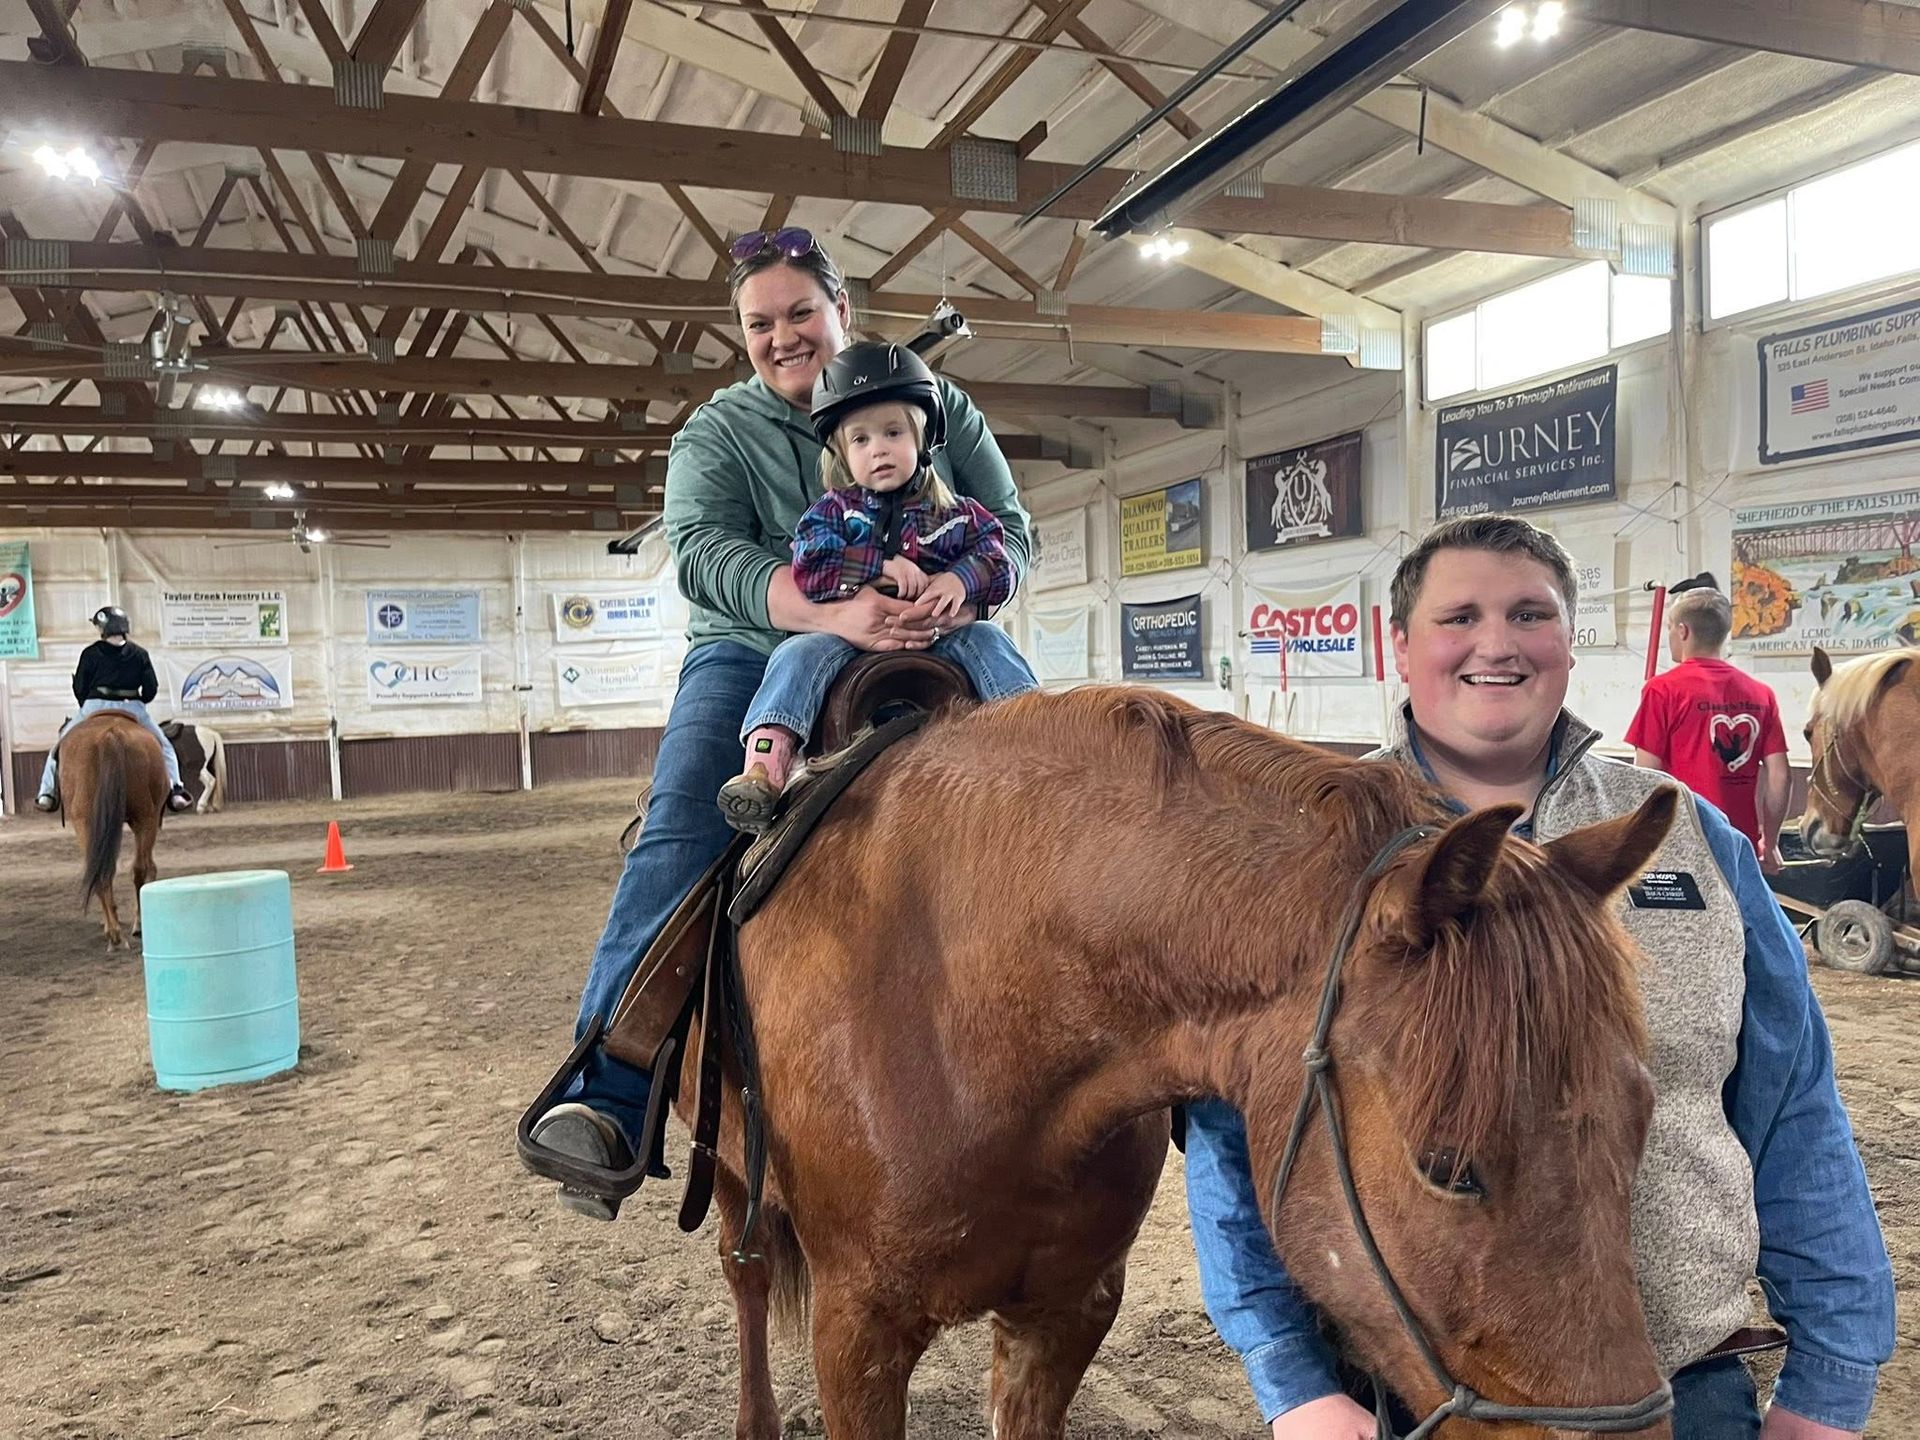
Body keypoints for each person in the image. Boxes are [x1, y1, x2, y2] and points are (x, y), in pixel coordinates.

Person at [1185, 516, 1893, 1440]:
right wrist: (1292, 1380)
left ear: (1567, 641)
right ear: (1399, 645)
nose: (1497, 644)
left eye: (1530, 614)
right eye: (1459, 617)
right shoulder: (1303, 866)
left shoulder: (1689, 840)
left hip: (1676, 1389)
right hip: (1420, 1400)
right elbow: (1228, 1140)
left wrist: (1831, 1378)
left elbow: (1794, 1103)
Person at [522, 228, 1032, 1220]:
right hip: (759, 648)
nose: (782, 336)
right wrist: (828, 611)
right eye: (759, 323)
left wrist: (961, 591)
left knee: (1054, 765)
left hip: (937, 631)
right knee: (681, 820)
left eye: (800, 312)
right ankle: (611, 1084)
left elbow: (1013, 529)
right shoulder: (716, 432)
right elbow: (705, 550)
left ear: (842, 311)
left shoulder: (936, 401)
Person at [716, 341, 1036, 832]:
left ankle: (1040, 737)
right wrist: (881, 567)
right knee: (795, 656)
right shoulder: (830, 514)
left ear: (922, 439)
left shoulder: (957, 514)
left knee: (992, 641)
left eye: (893, 432)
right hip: (845, 639)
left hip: (939, 635)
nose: (879, 448)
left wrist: (959, 580)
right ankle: (766, 763)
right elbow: (810, 567)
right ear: (843, 454)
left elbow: (999, 555)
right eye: (860, 440)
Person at [1628, 577, 1791, 871]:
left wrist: (1642, 842)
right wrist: (1771, 840)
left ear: (1683, 631)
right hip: (1739, 845)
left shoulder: (1662, 690)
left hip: (1682, 843)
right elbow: (1780, 776)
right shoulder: (1761, 694)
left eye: (1669, 630)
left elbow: (1645, 776)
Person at [35, 605, 194, 814]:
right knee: (164, 747)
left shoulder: (90, 653)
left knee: (60, 746)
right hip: (132, 707)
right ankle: (175, 790)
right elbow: (151, 689)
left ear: (102, 629)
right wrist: (140, 702)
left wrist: (88, 703)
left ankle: (47, 793)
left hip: (95, 705)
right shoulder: (140, 654)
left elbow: (80, 686)